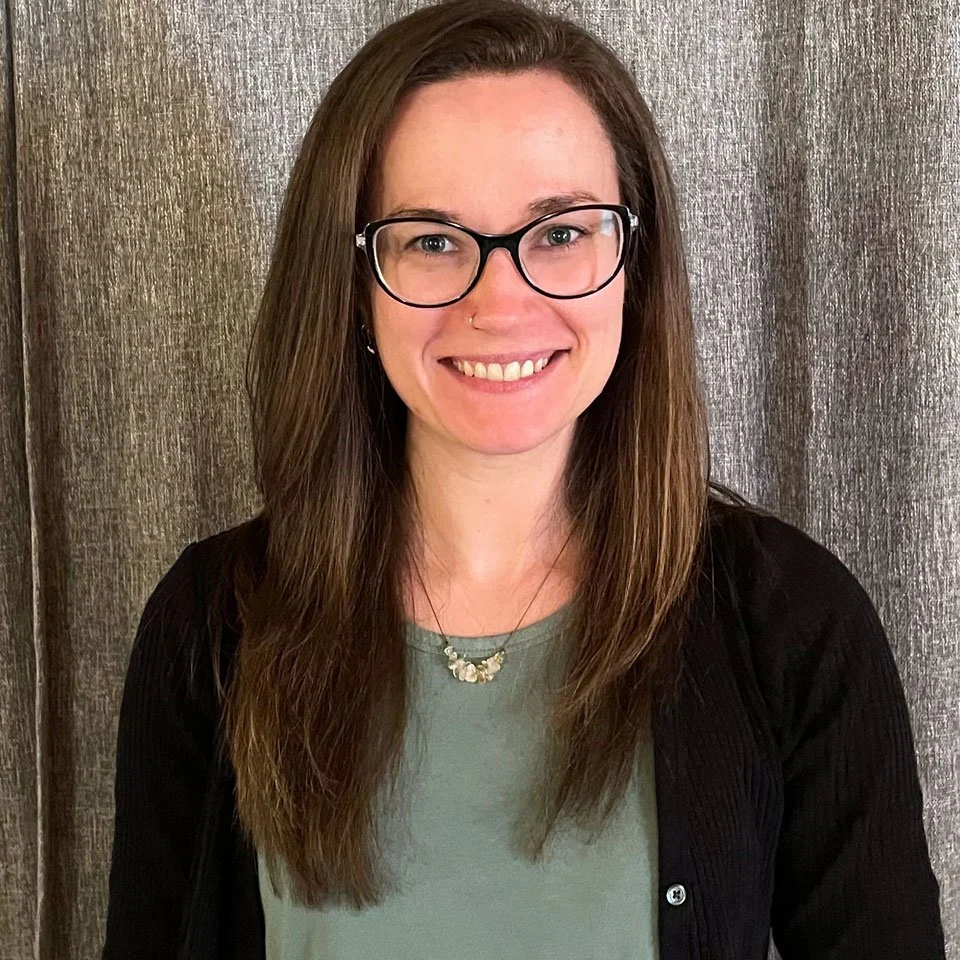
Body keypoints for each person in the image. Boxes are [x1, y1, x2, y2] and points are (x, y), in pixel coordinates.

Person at [101, 0, 947, 957]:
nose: (501, 301)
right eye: (430, 240)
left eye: (559, 234)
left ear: (637, 260)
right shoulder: (211, 629)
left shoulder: (791, 622)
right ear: (351, 284)